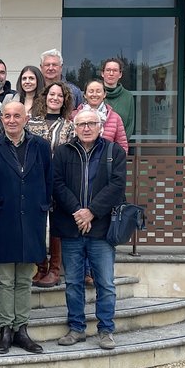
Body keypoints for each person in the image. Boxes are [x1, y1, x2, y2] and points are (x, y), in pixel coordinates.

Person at [0, 101, 51, 355]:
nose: (11, 120)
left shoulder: (41, 147)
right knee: (6, 280)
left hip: (31, 221)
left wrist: (43, 211)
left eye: (16, 116)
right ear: (0, 118)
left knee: (25, 279)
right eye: (7, 116)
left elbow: (48, 182)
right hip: (2, 222)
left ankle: (22, 329)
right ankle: (5, 329)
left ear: (26, 118)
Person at [53, 109, 126, 350]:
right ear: (74, 128)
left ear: (101, 126)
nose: (86, 128)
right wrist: (78, 211)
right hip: (72, 227)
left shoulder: (113, 151)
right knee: (73, 282)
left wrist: (92, 211)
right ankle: (76, 328)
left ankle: (106, 330)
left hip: (101, 229)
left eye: (91, 123)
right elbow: (57, 184)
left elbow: (117, 186)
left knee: (105, 283)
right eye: (82, 124)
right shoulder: (63, 152)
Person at [33, 81, 76, 288]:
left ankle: (54, 270)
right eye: (52, 94)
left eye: (60, 95)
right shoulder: (31, 123)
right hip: (35, 181)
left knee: (56, 225)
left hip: (60, 180)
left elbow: (71, 155)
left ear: (64, 100)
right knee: (37, 225)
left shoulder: (69, 126)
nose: (55, 98)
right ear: (45, 97)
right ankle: (40, 268)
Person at [75, 79, 129, 152]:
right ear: (85, 95)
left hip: (106, 161)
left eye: (98, 91)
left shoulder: (115, 118)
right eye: (91, 91)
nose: (94, 94)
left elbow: (122, 145)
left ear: (104, 94)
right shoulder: (74, 116)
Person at [101, 57, 136, 143]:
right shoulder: (95, 94)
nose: (111, 73)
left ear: (120, 74)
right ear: (102, 73)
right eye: (108, 70)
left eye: (115, 70)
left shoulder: (128, 97)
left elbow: (129, 125)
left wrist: (118, 147)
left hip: (118, 148)